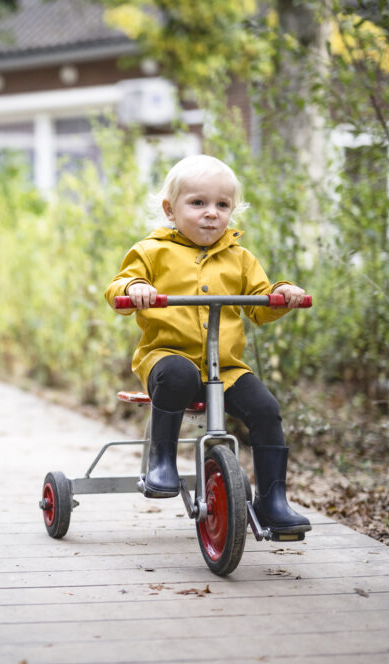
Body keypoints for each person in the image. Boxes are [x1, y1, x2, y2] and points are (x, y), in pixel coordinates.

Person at [103, 154, 311, 537]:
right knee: (178, 374)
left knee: (265, 409)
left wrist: (283, 293)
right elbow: (119, 285)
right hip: (167, 358)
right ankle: (161, 461)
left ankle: (273, 499)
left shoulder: (241, 259)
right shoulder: (152, 251)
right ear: (170, 209)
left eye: (222, 205)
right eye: (197, 203)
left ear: (232, 210)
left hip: (226, 369)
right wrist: (136, 289)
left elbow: (261, 303)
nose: (211, 214)